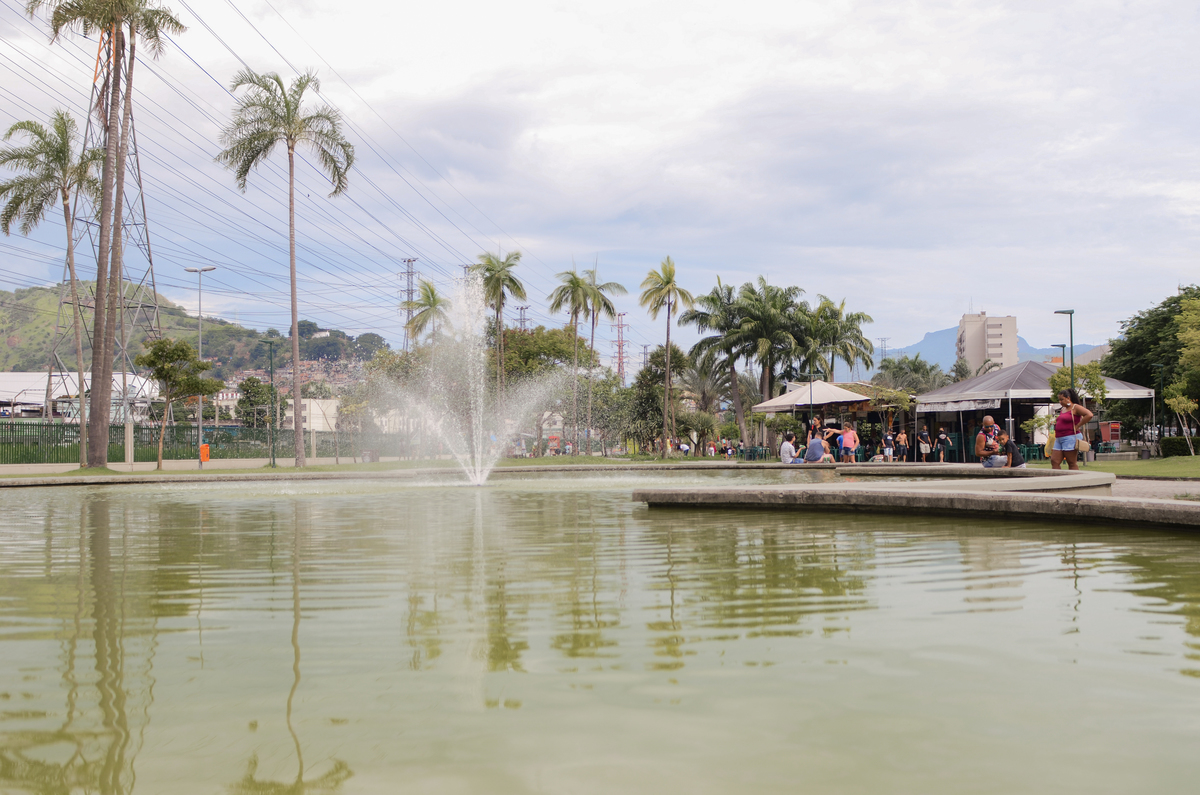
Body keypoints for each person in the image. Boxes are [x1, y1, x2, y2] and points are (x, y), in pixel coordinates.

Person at [1051, 388, 1094, 471]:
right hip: (1059, 437)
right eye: (1059, 400)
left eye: (1062, 399)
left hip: (1070, 437)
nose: (1060, 402)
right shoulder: (1063, 409)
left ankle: (1075, 481)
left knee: (1071, 462)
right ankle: (1057, 480)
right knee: (1054, 461)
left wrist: (1078, 425)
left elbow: (1089, 415)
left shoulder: (1075, 407)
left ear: (1068, 398)